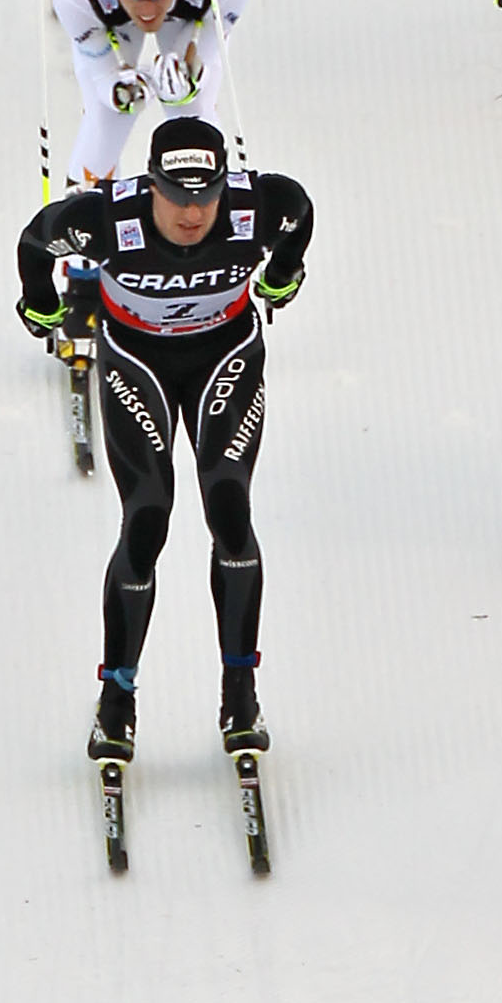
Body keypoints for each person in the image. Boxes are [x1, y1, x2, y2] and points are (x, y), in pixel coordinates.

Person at [17, 114, 313, 766]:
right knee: (148, 516)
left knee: (230, 507)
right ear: (150, 186)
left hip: (225, 355)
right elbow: (35, 243)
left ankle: (240, 692)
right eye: (177, 198)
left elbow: (299, 211)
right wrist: (40, 305)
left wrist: (282, 275)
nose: (191, 214)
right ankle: (116, 699)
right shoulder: (103, 218)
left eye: (204, 198)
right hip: (137, 362)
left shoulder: (257, 205)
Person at [51, 0, 252, 185]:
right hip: (110, 4)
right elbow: (100, 72)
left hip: (190, 3)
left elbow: (207, 59)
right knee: (107, 115)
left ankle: (206, 195)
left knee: (190, 104)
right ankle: (82, 210)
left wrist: (192, 80)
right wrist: (118, 93)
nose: (147, 11)